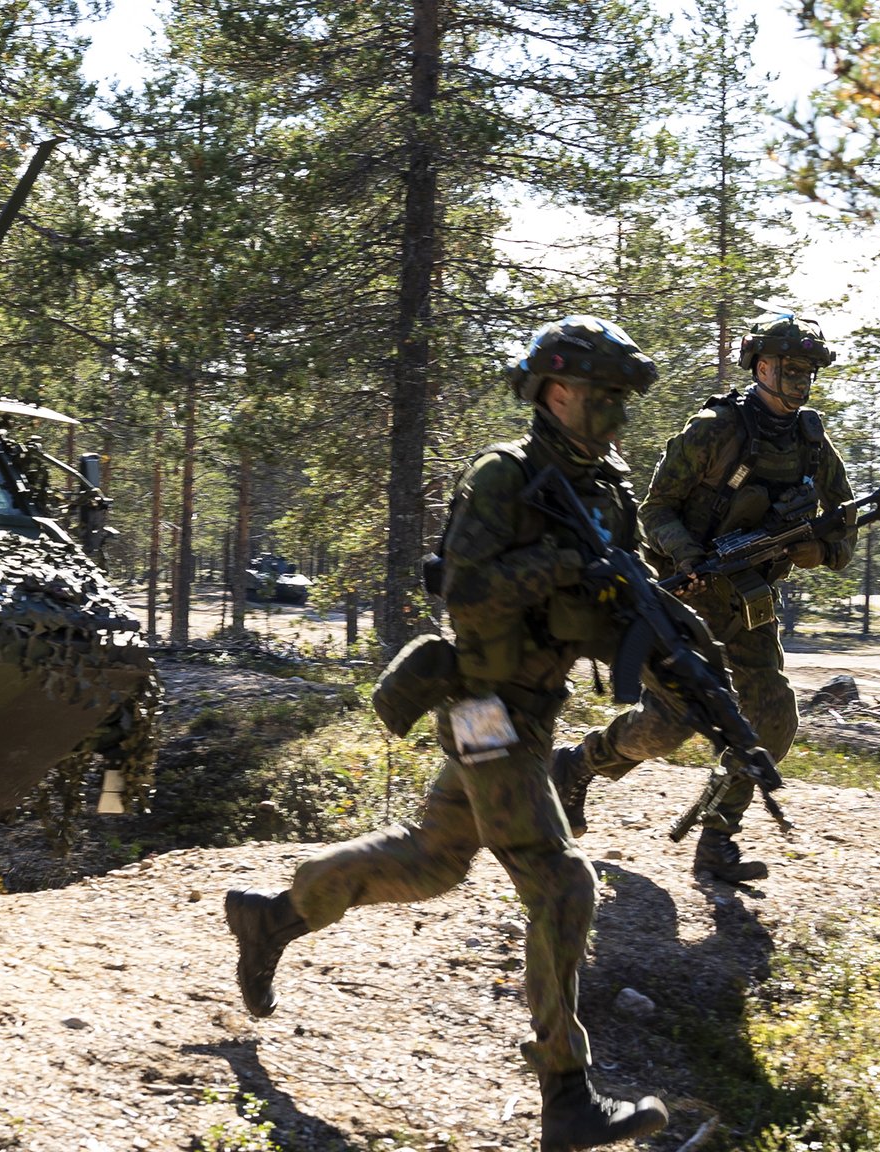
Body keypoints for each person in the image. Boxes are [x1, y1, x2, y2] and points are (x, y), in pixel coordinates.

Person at [224, 316, 670, 1152]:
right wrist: (567, 566)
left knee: (431, 861)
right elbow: (464, 592)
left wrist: (673, 654)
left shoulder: (610, 489)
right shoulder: (506, 476)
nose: (617, 413)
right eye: (604, 395)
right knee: (562, 883)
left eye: (624, 399)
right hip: (480, 708)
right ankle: (566, 1094)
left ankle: (272, 919)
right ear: (557, 392)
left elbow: (622, 601)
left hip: (533, 712)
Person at [551, 313, 857, 882]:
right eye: (790, 369)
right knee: (671, 723)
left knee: (773, 719)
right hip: (683, 595)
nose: (800, 380)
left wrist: (817, 550)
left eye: (807, 371)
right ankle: (577, 764)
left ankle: (717, 839)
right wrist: (688, 556)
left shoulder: (813, 443)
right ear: (760, 368)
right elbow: (655, 508)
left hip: (749, 601)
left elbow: (843, 530)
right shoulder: (715, 429)